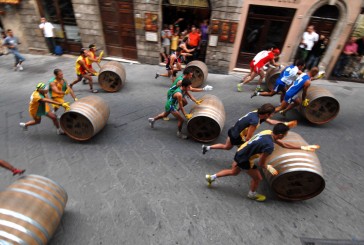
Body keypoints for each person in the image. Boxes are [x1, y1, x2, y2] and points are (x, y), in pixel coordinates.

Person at [205, 123, 320, 202]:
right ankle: (252, 194)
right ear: (280, 135)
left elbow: (284, 145)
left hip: (241, 152)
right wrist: (269, 168)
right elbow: (261, 164)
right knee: (257, 178)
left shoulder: (268, 132)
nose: (284, 137)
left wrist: (303, 147)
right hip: (245, 159)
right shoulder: (269, 146)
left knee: (234, 172)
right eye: (284, 135)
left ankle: (211, 177)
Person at [202, 103, 297, 154]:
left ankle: (207, 147)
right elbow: (248, 138)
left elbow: (271, 122)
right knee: (246, 150)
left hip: (233, 130)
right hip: (238, 136)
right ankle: (238, 164)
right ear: (267, 114)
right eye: (271, 114)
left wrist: (285, 124)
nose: (272, 115)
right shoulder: (254, 122)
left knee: (227, 147)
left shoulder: (257, 113)